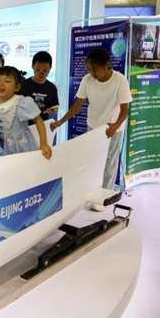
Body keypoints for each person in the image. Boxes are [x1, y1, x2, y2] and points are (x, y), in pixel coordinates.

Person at [50, 48, 132, 212]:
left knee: (110, 162)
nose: (92, 73)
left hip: (113, 128)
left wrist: (115, 126)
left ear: (107, 65)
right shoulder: (87, 80)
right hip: (93, 126)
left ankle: (105, 196)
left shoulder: (120, 80)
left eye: (95, 69)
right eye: (89, 69)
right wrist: (61, 121)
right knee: (93, 159)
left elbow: (125, 110)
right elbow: (77, 106)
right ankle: (93, 190)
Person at [0, 66, 52, 159]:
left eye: (7, 81)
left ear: (17, 87)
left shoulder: (21, 103)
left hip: (19, 148)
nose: (1, 83)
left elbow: (38, 120)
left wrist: (44, 143)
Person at [21, 51, 59, 122]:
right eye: (38, 69)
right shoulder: (23, 85)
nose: (41, 73)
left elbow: (55, 108)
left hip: (44, 126)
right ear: (32, 66)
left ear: (50, 68)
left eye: (45, 70)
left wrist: (53, 111)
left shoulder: (52, 88)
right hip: (25, 127)